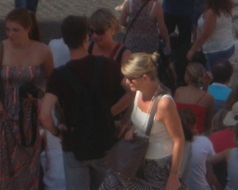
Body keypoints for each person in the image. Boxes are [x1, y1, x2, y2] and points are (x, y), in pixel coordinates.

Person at [40, 15, 128, 189]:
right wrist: (120, 120)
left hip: (74, 143)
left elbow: (44, 115)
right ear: (86, 37)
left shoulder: (59, 75)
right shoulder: (108, 65)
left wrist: (57, 132)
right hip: (104, 140)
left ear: (64, 40)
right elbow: (132, 91)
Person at [104, 52, 186, 190]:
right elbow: (140, 122)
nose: (126, 81)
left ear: (145, 77)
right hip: (134, 161)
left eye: (130, 78)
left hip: (157, 168)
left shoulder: (164, 103)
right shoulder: (138, 92)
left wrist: (173, 176)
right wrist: (131, 130)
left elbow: (179, 140)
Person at [1, 8, 55, 190]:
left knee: (27, 162)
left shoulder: (43, 50)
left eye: (15, 30)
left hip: (28, 115)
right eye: (8, 29)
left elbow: (52, 83)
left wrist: (39, 95)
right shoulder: (2, 47)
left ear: (28, 28)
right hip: (3, 113)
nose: (10, 34)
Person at [187, 0, 235, 69]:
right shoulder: (225, 8)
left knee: (212, 73)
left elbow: (206, 33)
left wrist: (193, 49)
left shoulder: (212, 12)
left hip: (215, 49)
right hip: (228, 44)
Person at [175, 62, 215, 134]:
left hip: (179, 132)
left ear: (187, 76)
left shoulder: (179, 91)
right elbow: (208, 124)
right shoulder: (208, 97)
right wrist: (206, 85)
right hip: (197, 134)